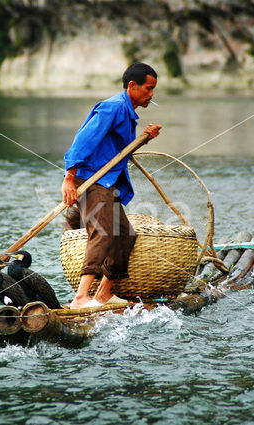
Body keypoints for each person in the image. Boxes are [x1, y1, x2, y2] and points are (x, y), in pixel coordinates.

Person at [62, 62, 162, 308]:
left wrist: (144, 138)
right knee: (104, 232)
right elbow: (83, 140)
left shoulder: (128, 114)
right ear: (132, 86)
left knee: (126, 235)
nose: (151, 95)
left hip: (107, 182)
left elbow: (118, 152)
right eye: (148, 89)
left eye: (153, 90)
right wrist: (69, 178)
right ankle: (80, 298)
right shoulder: (113, 107)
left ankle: (104, 294)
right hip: (92, 179)